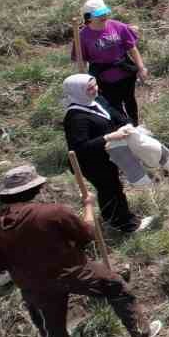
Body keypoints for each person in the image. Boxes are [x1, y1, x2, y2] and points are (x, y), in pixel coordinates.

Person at [0, 164, 162, 337]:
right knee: (115, 285)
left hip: (33, 286)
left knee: (51, 328)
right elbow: (87, 235)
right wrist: (88, 206)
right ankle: (142, 335)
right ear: (37, 188)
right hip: (72, 272)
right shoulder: (53, 212)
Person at [60, 75, 151, 234]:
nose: (94, 89)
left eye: (95, 85)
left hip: (107, 155)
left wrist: (127, 124)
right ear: (77, 91)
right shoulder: (75, 117)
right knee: (109, 189)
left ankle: (117, 219)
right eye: (89, 88)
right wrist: (109, 137)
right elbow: (80, 148)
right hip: (92, 162)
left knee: (114, 186)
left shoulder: (97, 101)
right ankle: (124, 226)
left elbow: (114, 115)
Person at [72, 0, 149, 126]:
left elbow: (132, 48)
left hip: (125, 73)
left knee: (130, 100)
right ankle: (125, 127)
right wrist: (84, 79)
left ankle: (135, 125)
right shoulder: (82, 37)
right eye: (99, 15)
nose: (104, 16)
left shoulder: (118, 26)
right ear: (88, 18)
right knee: (113, 105)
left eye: (105, 13)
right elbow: (82, 61)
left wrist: (141, 68)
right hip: (104, 79)